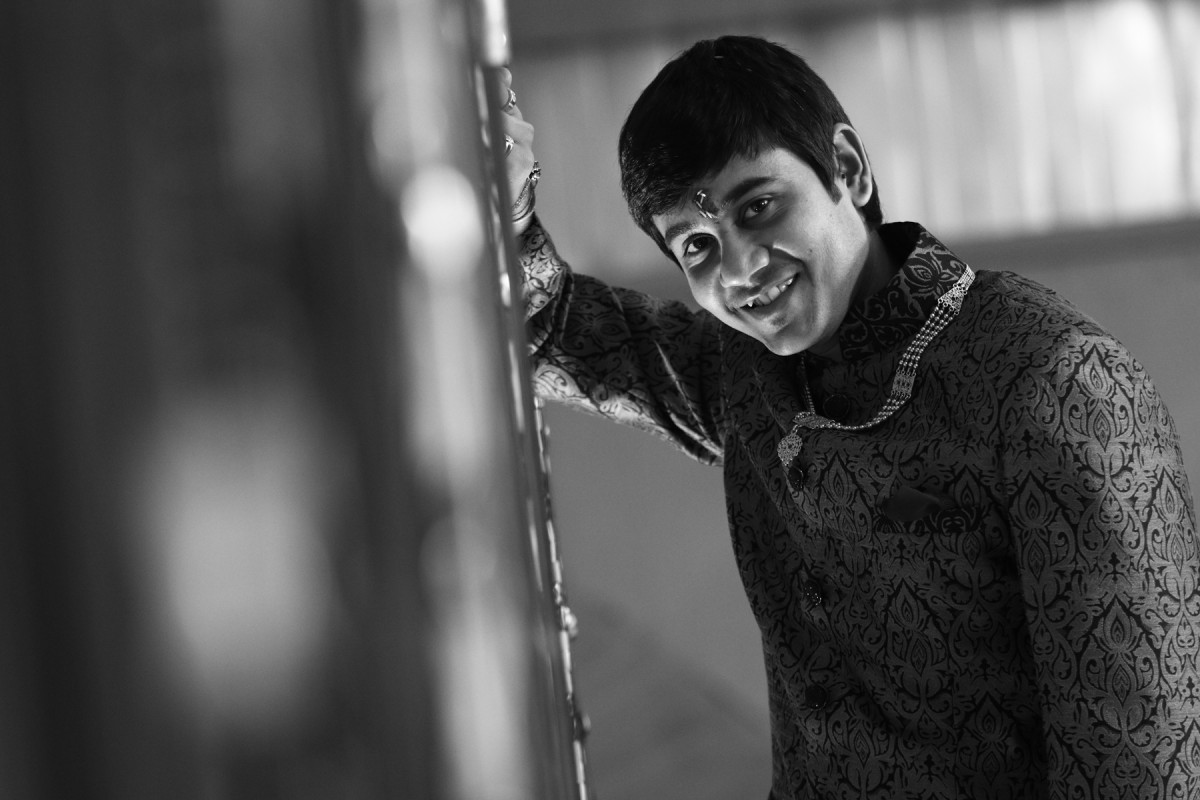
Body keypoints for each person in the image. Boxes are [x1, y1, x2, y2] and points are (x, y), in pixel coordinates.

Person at [497, 35, 1200, 799]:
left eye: (758, 207)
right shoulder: (751, 380)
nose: (741, 269)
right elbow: (551, 330)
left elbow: (1142, 771)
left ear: (848, 168)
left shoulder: (1056, 383)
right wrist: (511, 202)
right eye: (698, 246)